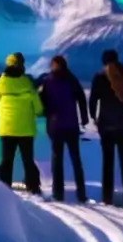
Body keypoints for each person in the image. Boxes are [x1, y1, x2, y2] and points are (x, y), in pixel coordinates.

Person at [89, 49, 123, 208]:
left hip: (106, 127)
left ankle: (107, 198)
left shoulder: (99, 78)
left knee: (108, 163)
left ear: (103, 62)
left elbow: (92, 102)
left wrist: (95, 119)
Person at [0, 52, 44, 195]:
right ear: (22, 65)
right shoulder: (27, 83)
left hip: (6, 129)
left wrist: (2, 113)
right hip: (26, 129)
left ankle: (4, 188)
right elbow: (38, 108)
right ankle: (33, 187)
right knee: (28, 160)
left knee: (6, 161)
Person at [37, 55, 89, 202]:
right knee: (76, 159)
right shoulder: (72, 80)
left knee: (57, 160)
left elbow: (41, 103)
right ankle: (81, 194)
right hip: (71, 125)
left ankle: (58, 193)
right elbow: (81, 99)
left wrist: (47, 113)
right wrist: (84, 118)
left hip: (55, 126)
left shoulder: (47, 82)